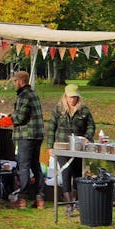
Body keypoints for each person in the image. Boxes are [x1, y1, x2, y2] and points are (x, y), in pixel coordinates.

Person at [47, 84, 95, 216]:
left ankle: (77, 202)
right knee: (66, 173)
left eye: (74, 97)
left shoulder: (84, 110)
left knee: (78, 174)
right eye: (70, 97)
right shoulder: (58, 109)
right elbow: (51, 128)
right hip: (62, 147)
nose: (72, 100)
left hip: (78, 147)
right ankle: (69, 205)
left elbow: (91, 125)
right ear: (65, 97)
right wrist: (50, 146)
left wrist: (87, 137)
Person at [10, 71, 46, 209]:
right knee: (35, 165)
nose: (14, 84)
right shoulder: (33, 93)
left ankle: (22, 199)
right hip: (38, 135)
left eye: (15, 81)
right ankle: (40, 197)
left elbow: (20, 118)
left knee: (23, 165)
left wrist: (8, 119)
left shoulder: (24, 95)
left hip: (27, 135)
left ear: (20, 81)